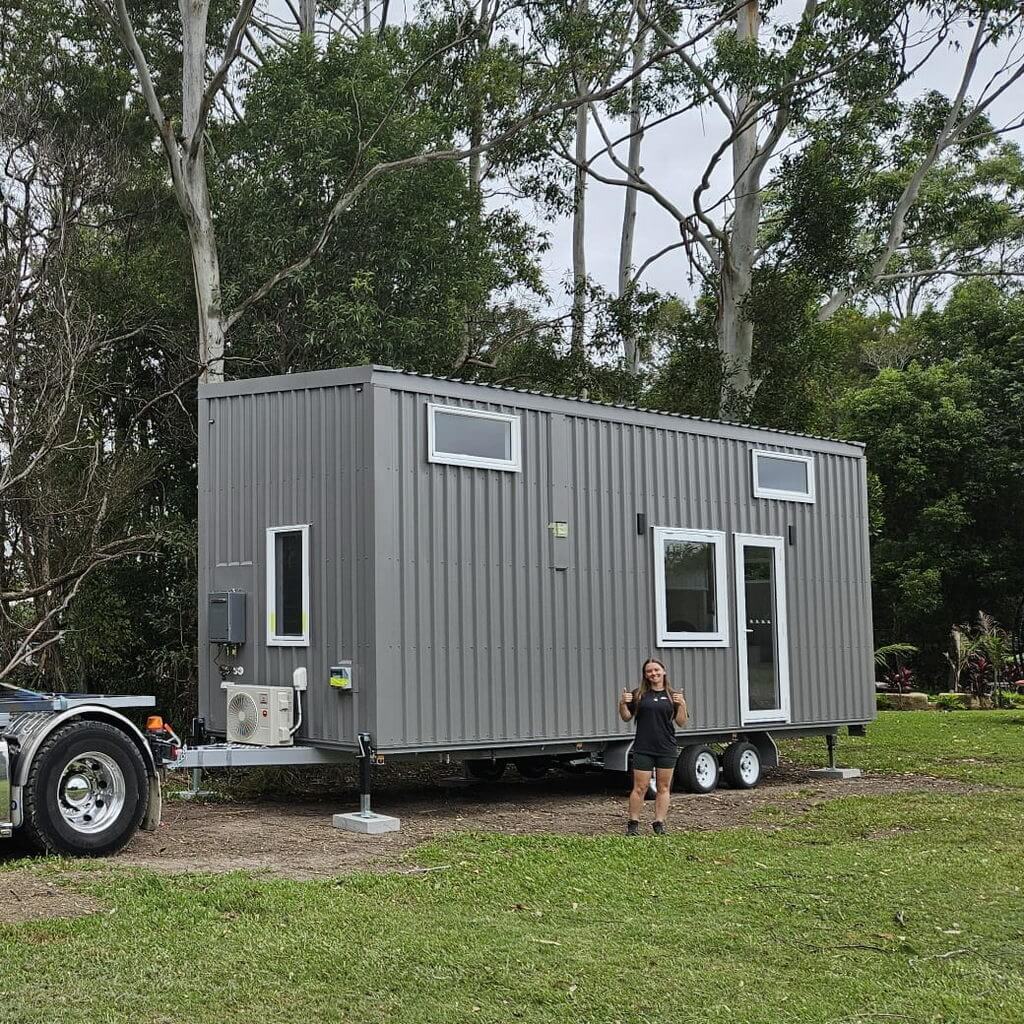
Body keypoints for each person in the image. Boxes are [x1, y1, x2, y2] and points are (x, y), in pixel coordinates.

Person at [618, 658, 688, 835]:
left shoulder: (673, 695)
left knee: (663, 787)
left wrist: (682, 704)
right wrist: (622, 703)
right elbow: (626, 717)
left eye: (656, 670)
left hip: (666, 748)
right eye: (649, 671)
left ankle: (659, 823)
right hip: (644, 748)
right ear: (645, 675)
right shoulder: (639, 694)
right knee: (640, 787)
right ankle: (633, 824)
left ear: (663, 671)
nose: (653, 673)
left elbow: (682, 722)